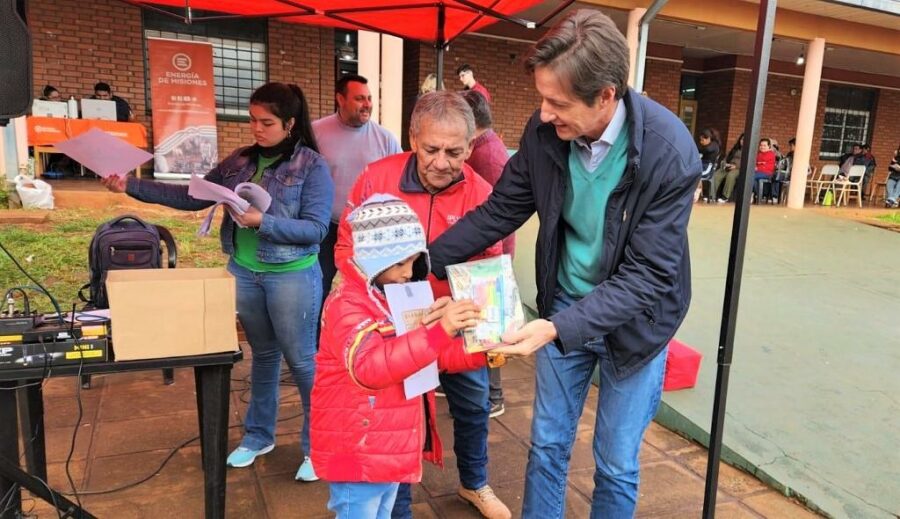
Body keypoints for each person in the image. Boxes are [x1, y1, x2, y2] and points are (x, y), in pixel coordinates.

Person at [426, 9, 701, 517]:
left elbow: (648, 275)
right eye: (541, 99)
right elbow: (501, 210)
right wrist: (424, 261)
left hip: (638, 325)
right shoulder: (544, 132)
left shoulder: (668, 152)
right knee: (549, 445)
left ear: (606, 95)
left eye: (558, 102)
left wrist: (554, 328)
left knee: (616, 462)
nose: (544, 114)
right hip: (566, 300)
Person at [100, 82, 334, 482]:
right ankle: (259, 436)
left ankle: (321, 448)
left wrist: (266, 222)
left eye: (267, 122)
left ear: (290, 124)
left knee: (301, 362)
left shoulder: (312, 165)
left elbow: (315, 229)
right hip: (244, 272)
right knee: (262, 356)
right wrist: (131, 186)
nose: (256, 130)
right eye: (252, 120)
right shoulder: (240, 160)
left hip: (291, 276)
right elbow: (193, 197)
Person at [334, 90, 510, 519]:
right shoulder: (377, 177)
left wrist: (470, 317)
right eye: (431, 149)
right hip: (391, 327)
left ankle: (475, 483)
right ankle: (397, 505)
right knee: (398, 419)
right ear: (413, 138)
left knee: (472, 407)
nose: (441, 162)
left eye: (454, 151)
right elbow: (346, 249)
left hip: (453, 326)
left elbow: (492, 266)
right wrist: (379, 297)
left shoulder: (483, 192)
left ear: (471, 147)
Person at [311, 193, 487, 519]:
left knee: (381, 512)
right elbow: (370, 369)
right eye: (400, 263)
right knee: (357, 512)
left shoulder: (395, 296)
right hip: (355, 448)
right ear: (373, 260)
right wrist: (436, 331)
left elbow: (430, 357)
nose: (409, 272)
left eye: (413, 261)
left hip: (387, 446)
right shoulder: (346, 305)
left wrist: (485, 348)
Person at [313, 74, 401, 305]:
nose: (367, 104)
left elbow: (400, 183)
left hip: (368, 232)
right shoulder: (316, 133)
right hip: (326, 228)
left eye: (370, 98)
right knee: (318, 288)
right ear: (340, 99)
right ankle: (318, 339)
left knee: (371, 291)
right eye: (360, 98)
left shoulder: (385, 139)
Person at [461, 89, 514, 418]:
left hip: (489, 258)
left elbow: (496, 217)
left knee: (487, 328)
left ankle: (493, 395)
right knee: (478, 325)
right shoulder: (483, 149)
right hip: (483, 254)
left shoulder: (488, 156)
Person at [713, 133, 744, 202]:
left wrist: (736, 166)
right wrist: (725, 164)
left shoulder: (748, 151)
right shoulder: (735, 149)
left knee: (731, 176)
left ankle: (725, 196)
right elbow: (726, 158)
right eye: (742, 139)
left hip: (739, 169)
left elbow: (747, 163)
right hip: (729, 166)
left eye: (745, 140)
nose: (742, 141)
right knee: (717, 174)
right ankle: (712, 195)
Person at [697, 127, 721, 202]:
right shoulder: (707, 145)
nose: (701, 142)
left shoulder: (714, 145)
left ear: (708, 138)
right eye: (700, 140)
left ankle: (697, 192)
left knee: (696, 174)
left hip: (707, 168)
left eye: (702, 140)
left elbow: (707, 149)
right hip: (702, 165)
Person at [753, 138, 777, 203]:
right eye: (761, 145)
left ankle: (759, 194)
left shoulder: (771, 154)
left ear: (769, 146)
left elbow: (769, 167)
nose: (762, 147)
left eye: (764, 145)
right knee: (750, 177)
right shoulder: (759, 154)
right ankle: (759, 194)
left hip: (767, 173)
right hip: (757, 172)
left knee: (751, 176)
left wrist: (758, 167)